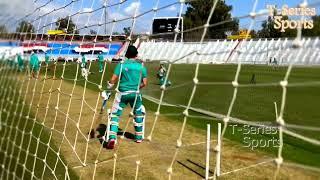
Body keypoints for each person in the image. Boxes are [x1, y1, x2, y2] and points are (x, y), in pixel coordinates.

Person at [105, 45, 147, 149]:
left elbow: (113, 79)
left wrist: (108, 86)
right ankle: (138, 137)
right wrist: (136, 87)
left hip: (122, 94)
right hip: (136, 94)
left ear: (127, 54)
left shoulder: (122, 64)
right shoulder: (141, 66)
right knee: (139, 113)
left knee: (114, 115)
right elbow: (144, 83)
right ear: (136, 55)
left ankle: (112, 138)